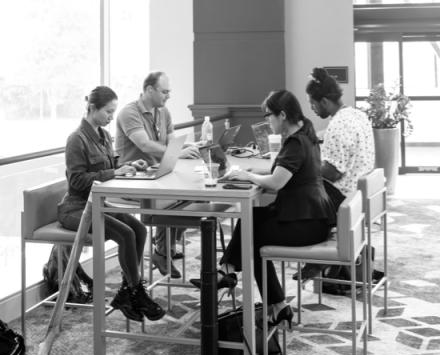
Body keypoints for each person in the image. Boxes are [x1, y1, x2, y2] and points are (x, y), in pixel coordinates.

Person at [191, 90, 335, 327]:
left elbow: (277, 183)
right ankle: (227, 272)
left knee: (253, 239)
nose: (267, 121)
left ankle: (259, 293)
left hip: (307, 224)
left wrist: (247, 174)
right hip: (310, 217)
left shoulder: (296, 142)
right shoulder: (304, 133)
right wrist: (258, 175)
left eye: (269, 116)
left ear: (282, 115)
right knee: (253, 217)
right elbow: (282, 175)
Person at [57, 86, 165, 322]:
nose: (111, 117)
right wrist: (113, 172)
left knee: (139, 229)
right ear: (93, 108)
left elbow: (112, 164)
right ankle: (135, 292)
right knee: (126, 234)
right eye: (108, 112)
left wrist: (131, 165)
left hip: (98, 204)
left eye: (113, 111)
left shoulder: (104, 136)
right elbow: (76, 180)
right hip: (76, 208)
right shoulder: (76, 139)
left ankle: (129, 291)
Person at [115, 71, 200, 279]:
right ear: (149, 90)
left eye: (169, 92)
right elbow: (144, 144)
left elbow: (170, 142)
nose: (168, 96)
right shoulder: (129, 113)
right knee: (171, 198)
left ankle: (164, 247)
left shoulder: (164, 112)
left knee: (190, 192)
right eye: (164, 91)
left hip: (158, 173)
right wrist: (177, 153)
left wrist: (187, 147)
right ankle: (163, 250)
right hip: (133, 178)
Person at [299, 67, 376, 281]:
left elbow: (331, 174)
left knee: (294, 190)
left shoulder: (338, 125)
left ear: (323, 101)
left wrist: (305, 165)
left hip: (343, 198)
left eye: (312, 103)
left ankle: (315, 254)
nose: (312, 108)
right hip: (361, 193)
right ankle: (319, 255)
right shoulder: (356, 115)